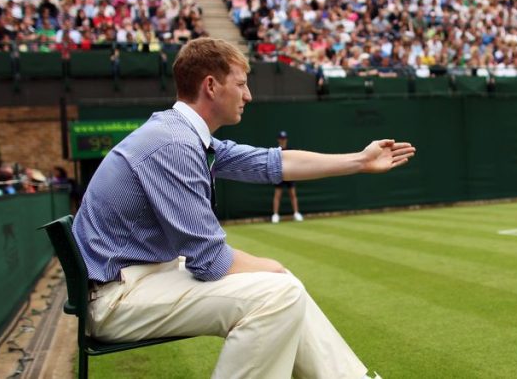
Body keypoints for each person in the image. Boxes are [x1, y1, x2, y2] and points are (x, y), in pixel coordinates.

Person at [72, 38, 414, 379]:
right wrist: (273, 267)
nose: (248, 95)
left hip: (139, 277)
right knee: (278, 291)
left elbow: (271, 163)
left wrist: (359, 160)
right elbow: (210, 261)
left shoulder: (181, 134)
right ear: (210, 86)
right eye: (240, 84)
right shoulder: (173, 144)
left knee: (283, 286)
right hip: (116, 297)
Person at [271, 130, 302, 223]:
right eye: (281, 138)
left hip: (290, 174)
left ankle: (296, 213)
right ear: (278, 140)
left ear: (286, 140)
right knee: (277, 195)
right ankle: (275, 215)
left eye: (284, 138)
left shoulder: (291, 150)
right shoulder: (276, 151)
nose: (283, 140)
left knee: (293, 194)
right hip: (279, 174)